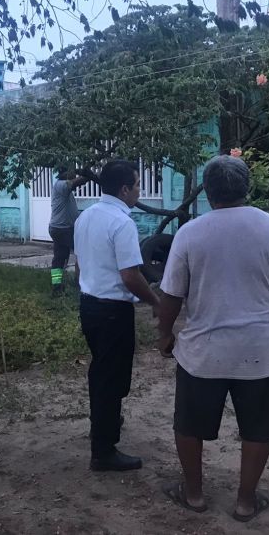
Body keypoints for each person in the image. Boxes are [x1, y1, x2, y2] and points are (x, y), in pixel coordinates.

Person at [157, 155, 269, 521]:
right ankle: (245, 501)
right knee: (258, 428)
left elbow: (171, 295)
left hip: (202, 354)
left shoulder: (190, 233)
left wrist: (164, 333)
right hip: (256, 353)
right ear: (246, 188)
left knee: (189, 424)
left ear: (207, 192)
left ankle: (194, 494)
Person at [74, 159, 161, 472]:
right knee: (110, 378)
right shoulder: (122, 223)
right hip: (112, 311)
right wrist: (155, 301)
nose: (139, 190)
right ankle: (103, 450)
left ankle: (105, 421)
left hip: (89, 305)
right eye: (137, 185)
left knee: (102, 371)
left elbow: (79, 265)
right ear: (124, 189)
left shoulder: (86, 216)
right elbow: (130, 276)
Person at [49, 166, 89, 294]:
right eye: (72, 173)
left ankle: (57, 287)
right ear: (66, 174)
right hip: (64, 230)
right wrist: (90, 175)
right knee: (82, 253)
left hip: (58, 229)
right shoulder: (61, 185)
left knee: (59, 258)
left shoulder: (62, 188)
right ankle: (80, 284)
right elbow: (77, 182)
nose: (74, 175)